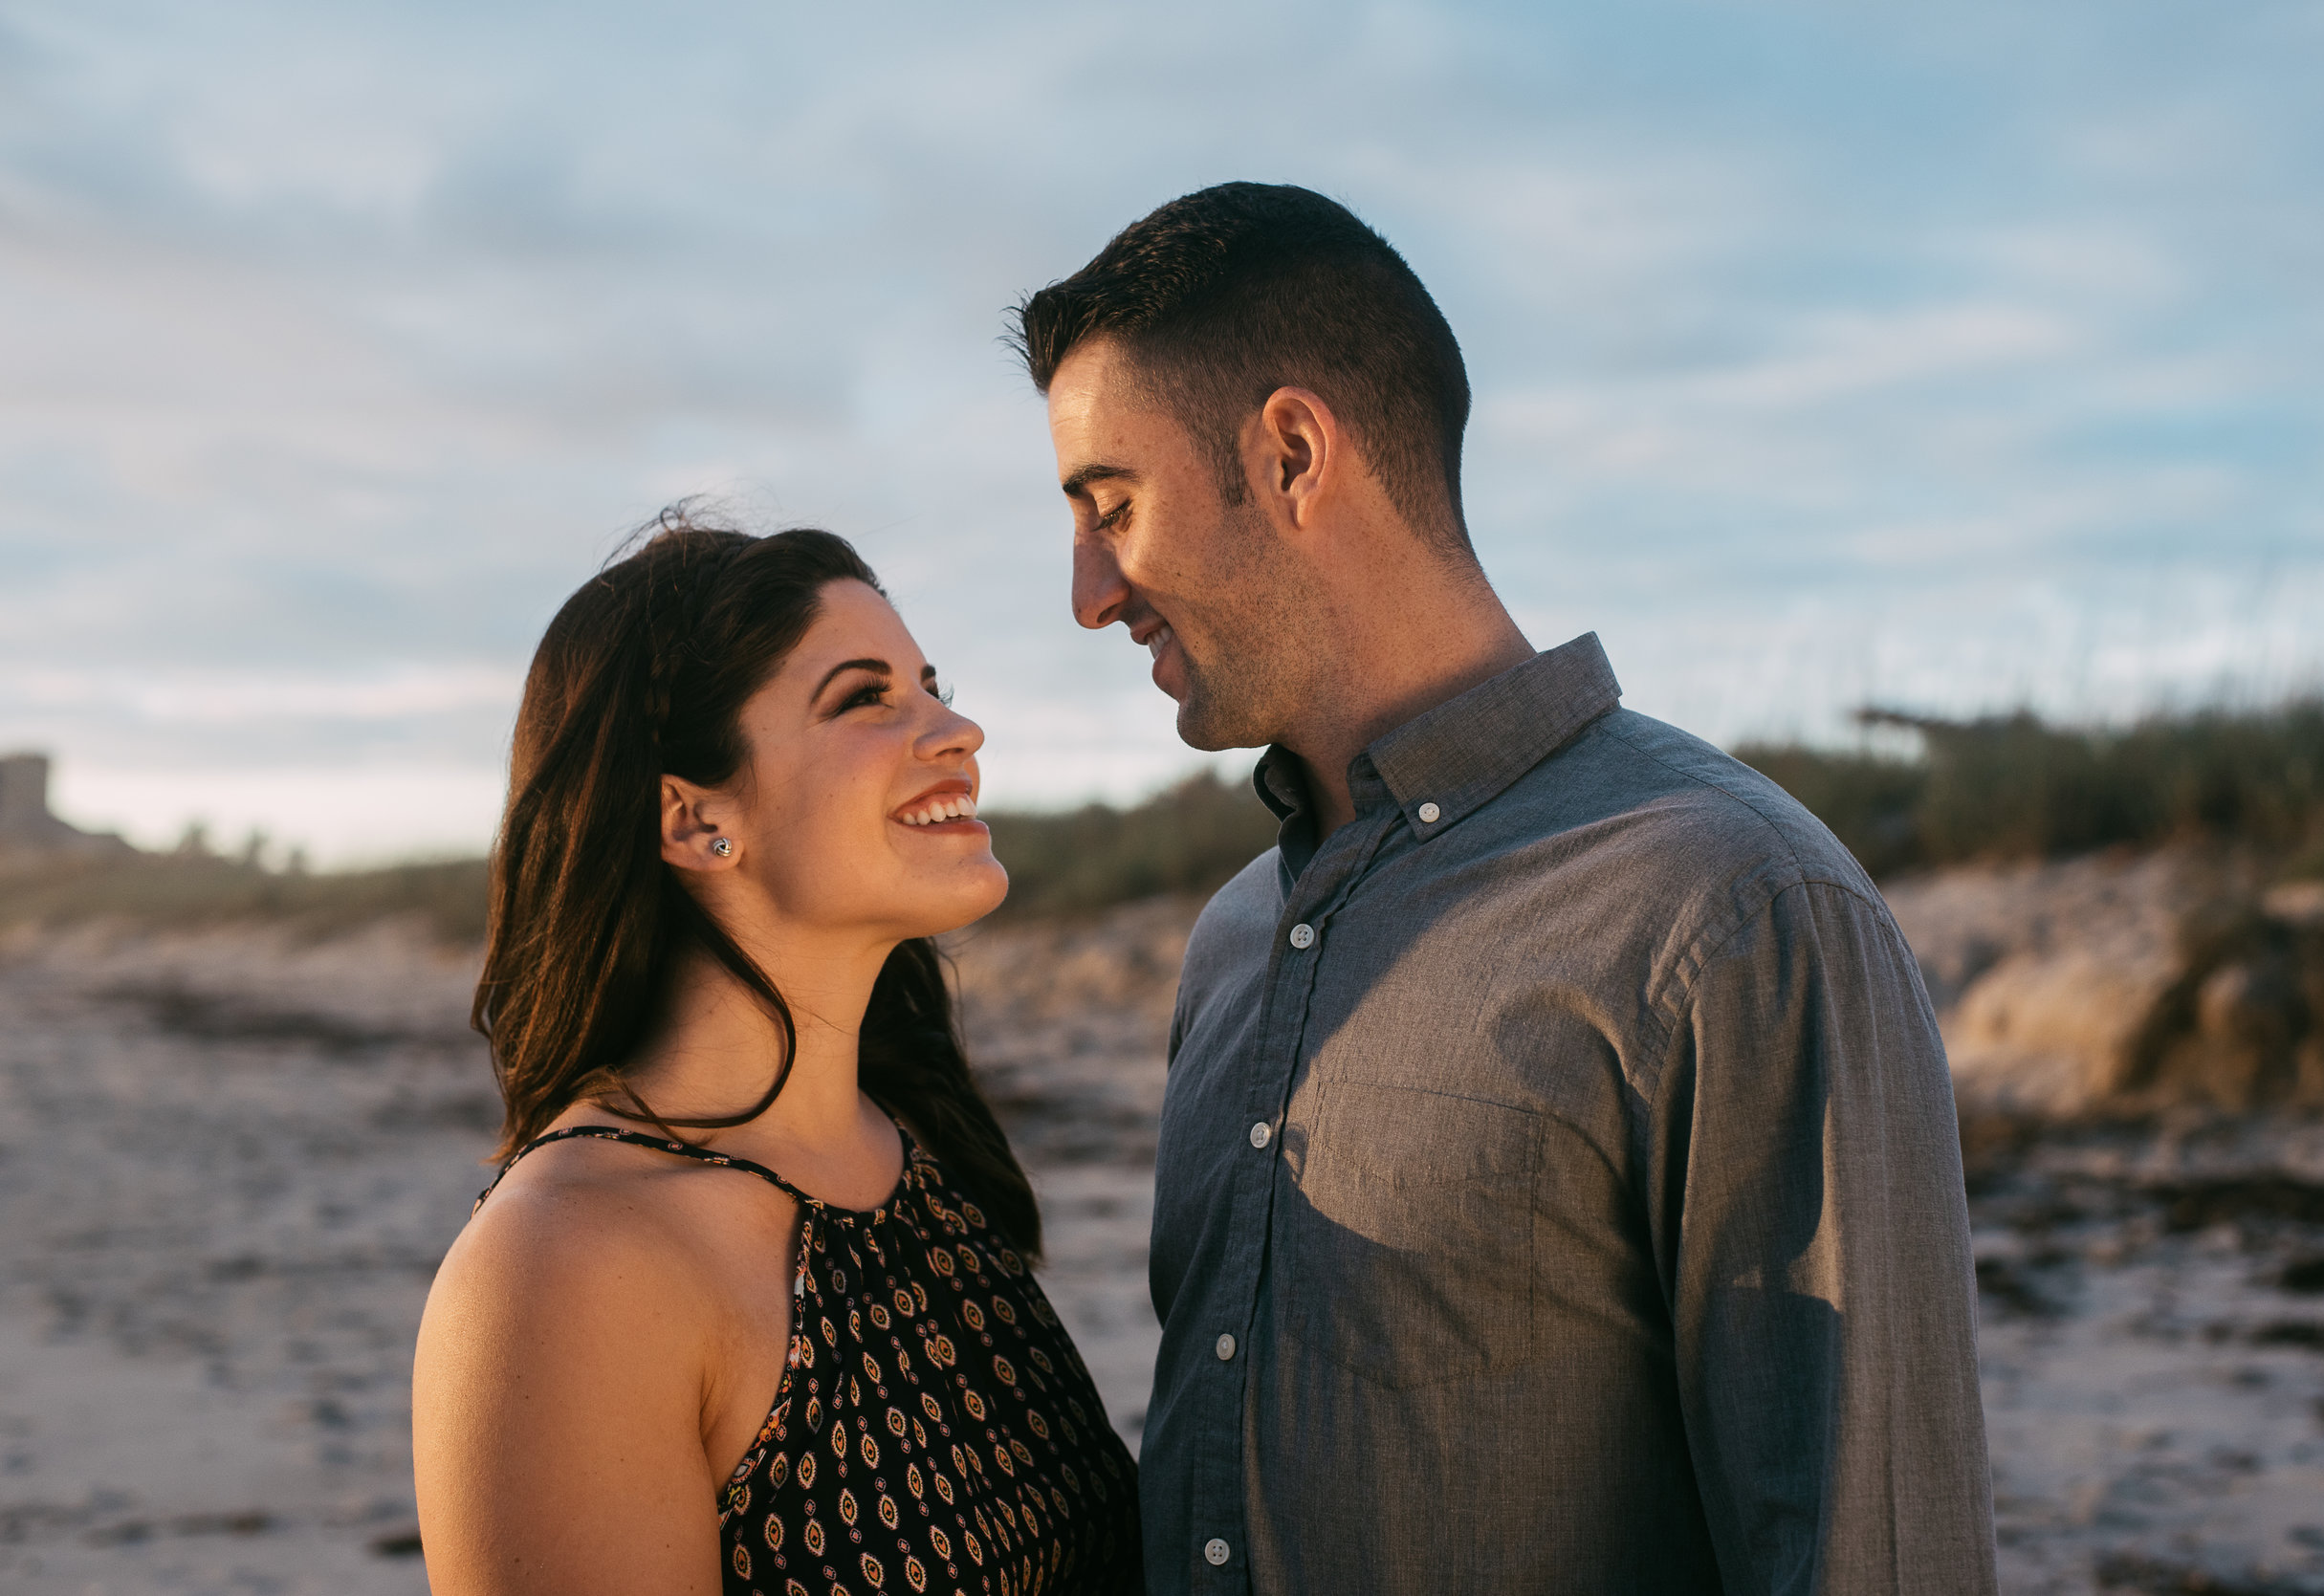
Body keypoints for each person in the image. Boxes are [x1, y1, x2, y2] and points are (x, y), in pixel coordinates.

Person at [1013, 184, 1996, 1593]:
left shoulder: (1734, 911)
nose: (1089, 591)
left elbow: (1870, 1556)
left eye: (1112, 505)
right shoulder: (1232, 941)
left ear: (1293, 454)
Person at [412, 516, 1142, 1596]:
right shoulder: (570, 1266)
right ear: (694, 816)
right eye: (865, 697)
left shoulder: (915, 1146)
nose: (958, 729)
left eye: (929, 683)